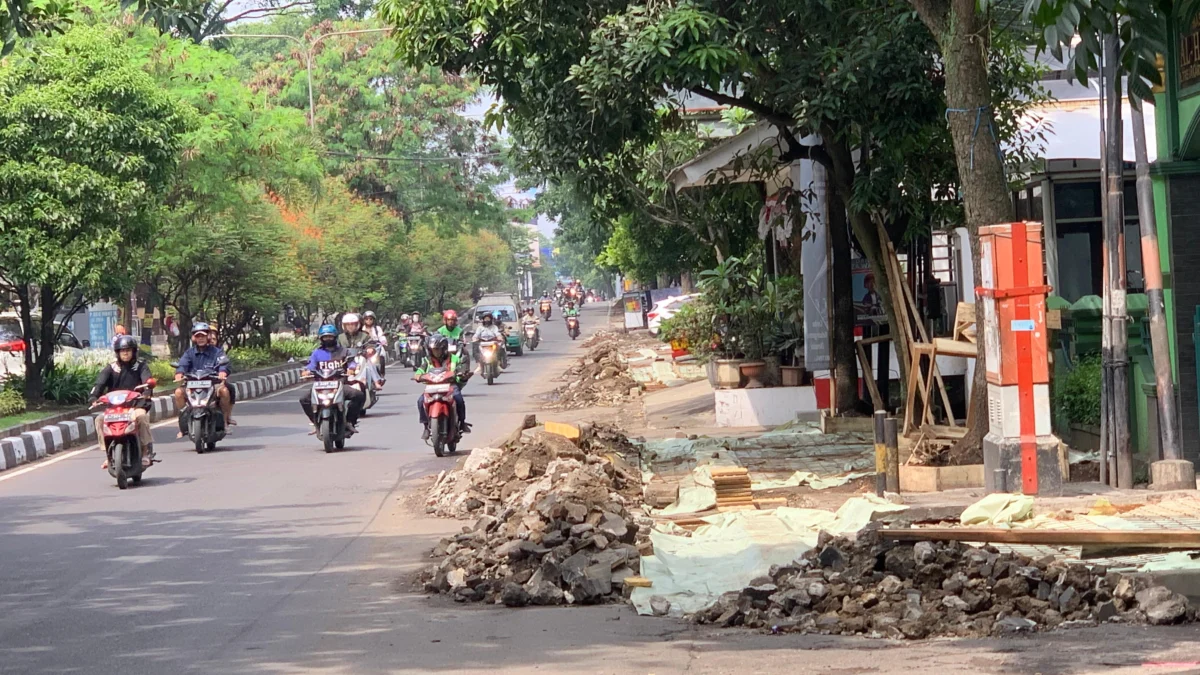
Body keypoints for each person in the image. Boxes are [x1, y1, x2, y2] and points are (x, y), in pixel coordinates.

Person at [90, 334, 155, 469]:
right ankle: (107, 456)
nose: (125, 353)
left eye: (128, 350)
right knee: (100, 420)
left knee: (141, 417)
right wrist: (94, 397)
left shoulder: (140, 366)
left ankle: (144, 452)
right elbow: (99, 384)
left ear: (134, 351)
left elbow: (147, 381)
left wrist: (147, 392)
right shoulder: (111, 368)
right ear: (118, 353)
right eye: (122, 351)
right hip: (115, 408)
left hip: (136, 404)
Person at [300, 324, 365, 434]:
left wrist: (351, 369)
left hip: (339, 385)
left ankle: (349, 421)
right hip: (320, 386)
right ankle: (316, 422)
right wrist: (306, 372)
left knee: (358, 395)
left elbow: (351, 363)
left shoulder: (344, 352)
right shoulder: (317, 353)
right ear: (321, 338)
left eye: (330, 337)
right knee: (304, 399)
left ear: (335, 337)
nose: (328, 339)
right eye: (325, 337)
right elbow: (310, 366)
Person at [173, 322, 233, 436]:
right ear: (194, 338)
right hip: (192, 384)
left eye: (203, 336)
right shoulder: (189, 353)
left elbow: (224, 363)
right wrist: (179, 373)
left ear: (208, 336)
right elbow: (183, 364)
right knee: (178, 393)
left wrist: (222, 372)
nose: (200, 339)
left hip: (212, 384)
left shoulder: (217, 352)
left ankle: (225, 422)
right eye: (198, 336)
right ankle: (183, 423)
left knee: (224, 391)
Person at [413, 333, 468, 439]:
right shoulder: (427, 360)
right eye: (433, 350)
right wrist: (418, 376)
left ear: (443, 349)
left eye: (438, 349)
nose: (436, 352)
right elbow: (420, 370)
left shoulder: (454, 359)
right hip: (432, 386)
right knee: (420, 401)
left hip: (450, 385)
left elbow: (461, 367)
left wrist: (461, 372)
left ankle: (462, 422)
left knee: (459, 399)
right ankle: (425, 427)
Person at [337, 312, 383, 390]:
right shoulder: (340, 337)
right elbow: (335, 347)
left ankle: (373, 381)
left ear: (357, 324)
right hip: (344, 360)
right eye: (348, 324)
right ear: (344, 326)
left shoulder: (364, 335)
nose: (350, 326)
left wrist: (370, 349)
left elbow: (370, 344)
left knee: (368, 362)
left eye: (352, 324)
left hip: (360, 358)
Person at [207, 326, 238, 413]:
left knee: (229, 390)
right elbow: (185, 365)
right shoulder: (193, 352)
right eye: (209, 338)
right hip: (197, 384)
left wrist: (222, 372)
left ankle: (226, 417)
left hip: (215, 382)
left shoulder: (219, 352)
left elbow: (225, 365)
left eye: (214, 339)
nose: (211, 341)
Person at [362, 310, 388, 378]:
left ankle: (382, 374)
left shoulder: (377, 328)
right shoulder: (361, 329)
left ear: (373, 320)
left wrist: (383, 341)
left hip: (376, 346)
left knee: (382, 355)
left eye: (370, 319)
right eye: (367, 319)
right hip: (364, 347)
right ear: (364, 320)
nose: (369, 320)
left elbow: (381, 336)